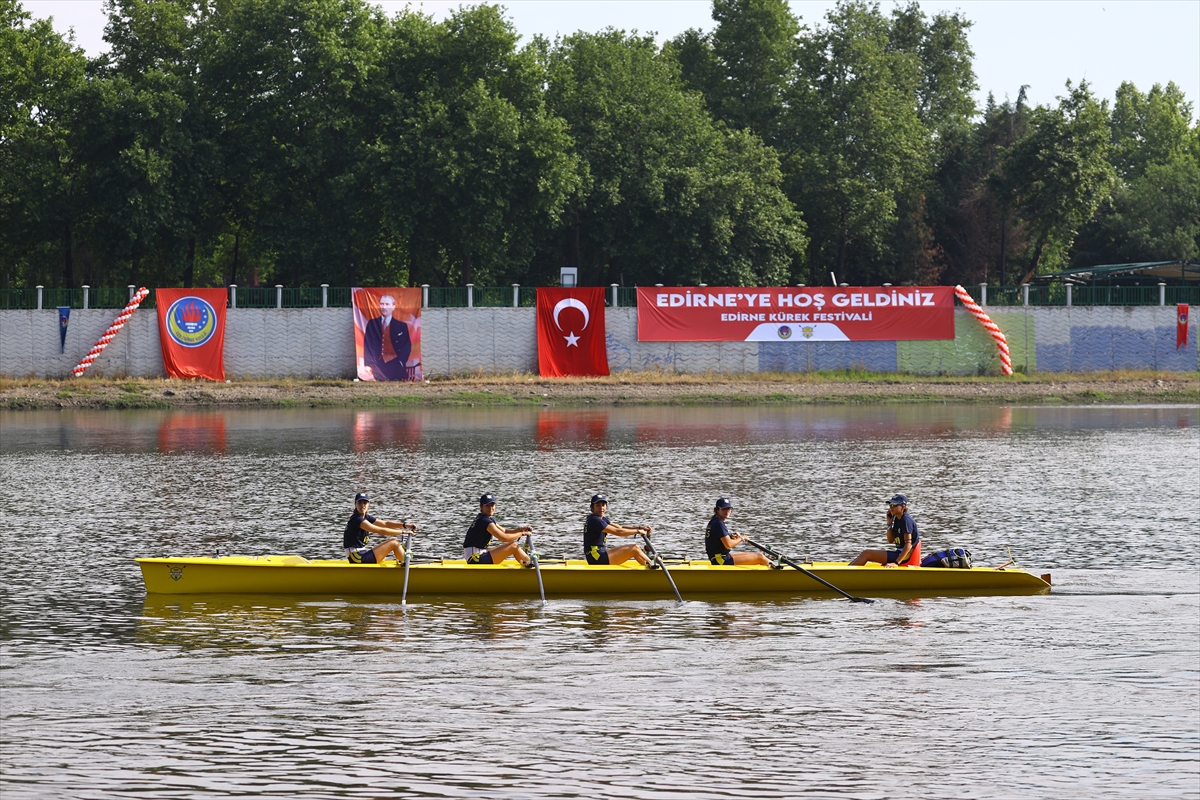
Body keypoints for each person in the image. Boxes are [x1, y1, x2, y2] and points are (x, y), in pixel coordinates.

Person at [849, 494, 922, 568]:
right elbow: (890, 540)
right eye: (890, 505)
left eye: (894, 505)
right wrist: (889, 524)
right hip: (899, 553)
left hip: (905, 557)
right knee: (865, 553)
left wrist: (896, 563)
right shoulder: (897, 519)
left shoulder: (906, 520)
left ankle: (846, 573)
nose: (891, 508)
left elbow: (908, 545)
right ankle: (847, 569)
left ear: (903, 507)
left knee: (867, 553)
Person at [344, 492, 417, 564]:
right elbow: (382, 531)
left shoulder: (365, 517)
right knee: (394, 543)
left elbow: (385, 524)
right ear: (355, 504)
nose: (362, 505)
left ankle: (404, 562)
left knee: (395, 543)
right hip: (356, 557)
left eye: (365, 503)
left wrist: (406, 525)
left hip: (361, 553)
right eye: (359, 503)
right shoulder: (357, 519)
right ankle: (407, 565)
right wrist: (403, 532)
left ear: (368, 504)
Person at [584, 494, 655, 567]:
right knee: (634, 549)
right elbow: (618, 532)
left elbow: (620, 528)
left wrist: (640, 528)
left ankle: (648, 566)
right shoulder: (595, 520)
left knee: (636, 549)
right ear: (592, 507)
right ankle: (653, 566)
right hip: (597, 559)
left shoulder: (601, 519)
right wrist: (638, 531)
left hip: (598, 556)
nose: (601, 508)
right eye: (597, 505)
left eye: (603, 505)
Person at [463, 494, 534, 567]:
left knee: (513, 545)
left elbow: (505, 531)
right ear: (481, 506)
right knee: (513, 546)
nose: (490, 508)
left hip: (479, 555)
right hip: (475, 559)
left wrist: (520, 529)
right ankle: (532, 567)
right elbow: (504, 538)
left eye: (492, 505)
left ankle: (529, 563)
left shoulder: (486, 519)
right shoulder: (484, 521)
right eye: (487, 506)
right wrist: (522, 533)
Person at [705, 498, 771, 566]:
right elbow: (728, 545)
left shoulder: (714, 521)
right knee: (760, 557)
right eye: (724, 509)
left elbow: (717, 539)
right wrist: (742, 538)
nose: (727, 511)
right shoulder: (719, 523)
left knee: (752, 554)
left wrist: (731, 536)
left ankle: (772, 566)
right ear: (717, 510)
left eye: (728, 509)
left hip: (719, 558)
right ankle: (776, 571)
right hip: (721, 560)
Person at [362, 294, 413, 381]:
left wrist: (401, 362)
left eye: (387, 304)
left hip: (395, 364)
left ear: (393, 306)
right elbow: (368, 344)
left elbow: (406, 345)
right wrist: (368, 364)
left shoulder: (401, 326)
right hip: (376, 364)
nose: (384, 307)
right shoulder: (372, 324)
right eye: (382, 304)